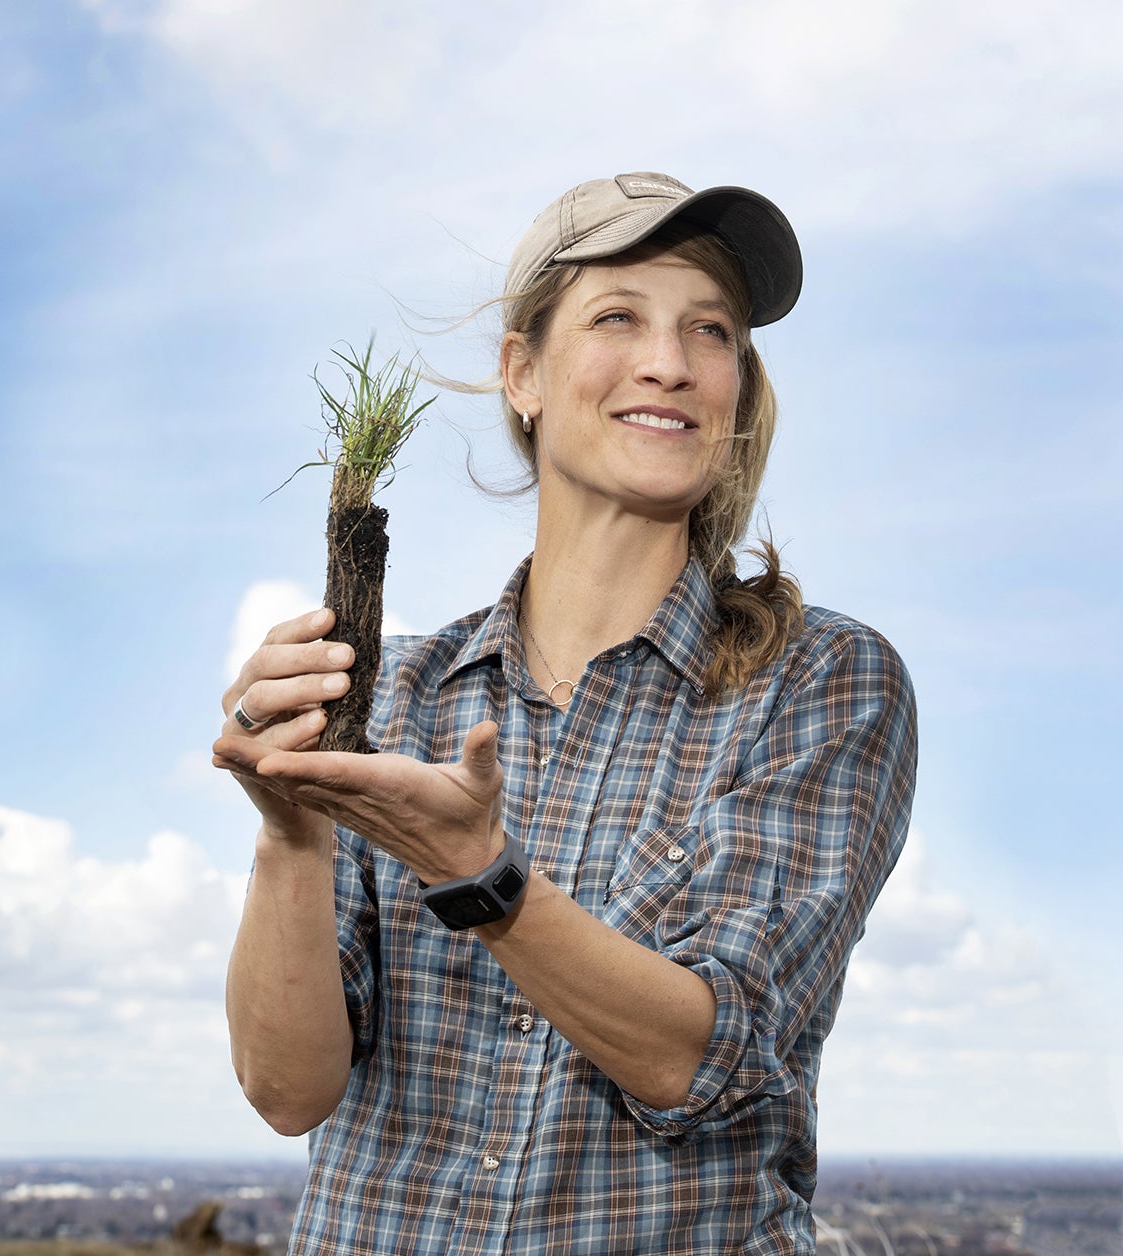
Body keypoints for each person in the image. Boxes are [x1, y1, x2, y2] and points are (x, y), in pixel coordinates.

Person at [212, 171, 917, 1256]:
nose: (669, 363)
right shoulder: (390, 693)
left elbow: (701, 1055)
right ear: (521, 371)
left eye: (710, 330)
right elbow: (285, 1087)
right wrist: (289, 828)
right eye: (618, 316)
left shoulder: (819, 682)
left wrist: (482, 879)